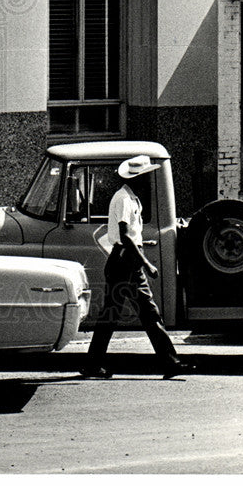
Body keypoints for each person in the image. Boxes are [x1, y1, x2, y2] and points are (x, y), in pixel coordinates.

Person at [81, 155, 196, 379]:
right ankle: (169, 363)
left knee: (133, 314)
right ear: (138, 178)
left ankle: (169, 363)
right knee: (134, 313)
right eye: (146, 176)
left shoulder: (131, 198)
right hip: (125, 263)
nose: (149, 180)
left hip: (126, 262)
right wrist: (147, 263)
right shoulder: (124, 199)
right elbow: (125, 235)